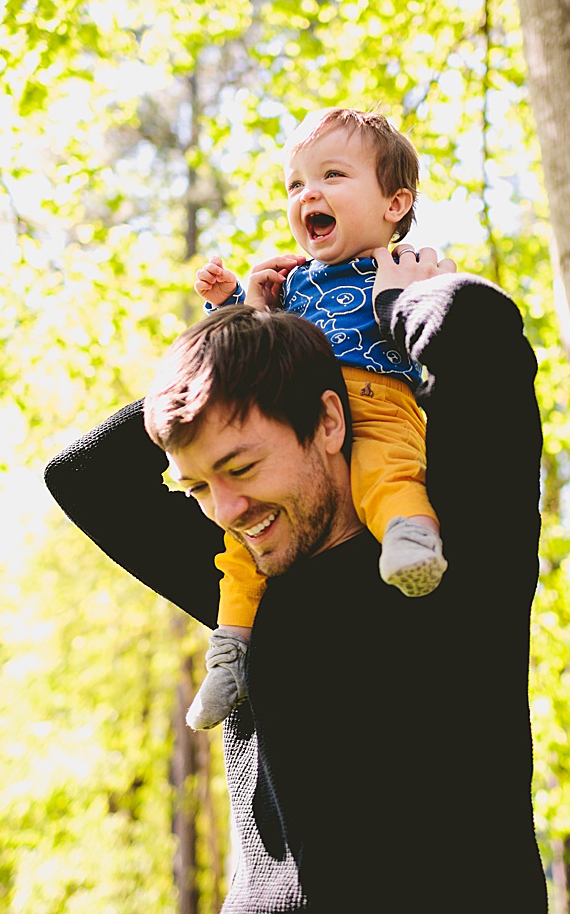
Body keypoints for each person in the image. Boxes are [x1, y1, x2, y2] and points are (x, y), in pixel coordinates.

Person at [44, 248, 548, 912]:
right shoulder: (250, 580)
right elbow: (83, 474)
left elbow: (477, 328)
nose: (226, 510)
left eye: (242, 466)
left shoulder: (453, 542)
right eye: (196, 485)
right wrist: (246, 334)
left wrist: (388, 305)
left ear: (330, 421)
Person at [186, 107, 447, 729]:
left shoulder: (407, 269)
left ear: (394, 203)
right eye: (296, 185)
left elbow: (451, 344)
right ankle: (230, 652)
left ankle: (410, 539)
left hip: (380, 406)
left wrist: (407, 295)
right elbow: (249, 362)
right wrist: (241, 305)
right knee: (239, 540)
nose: (310, 195)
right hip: (299, 423)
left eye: (333, 175)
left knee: (387, 475)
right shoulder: (294, 282)